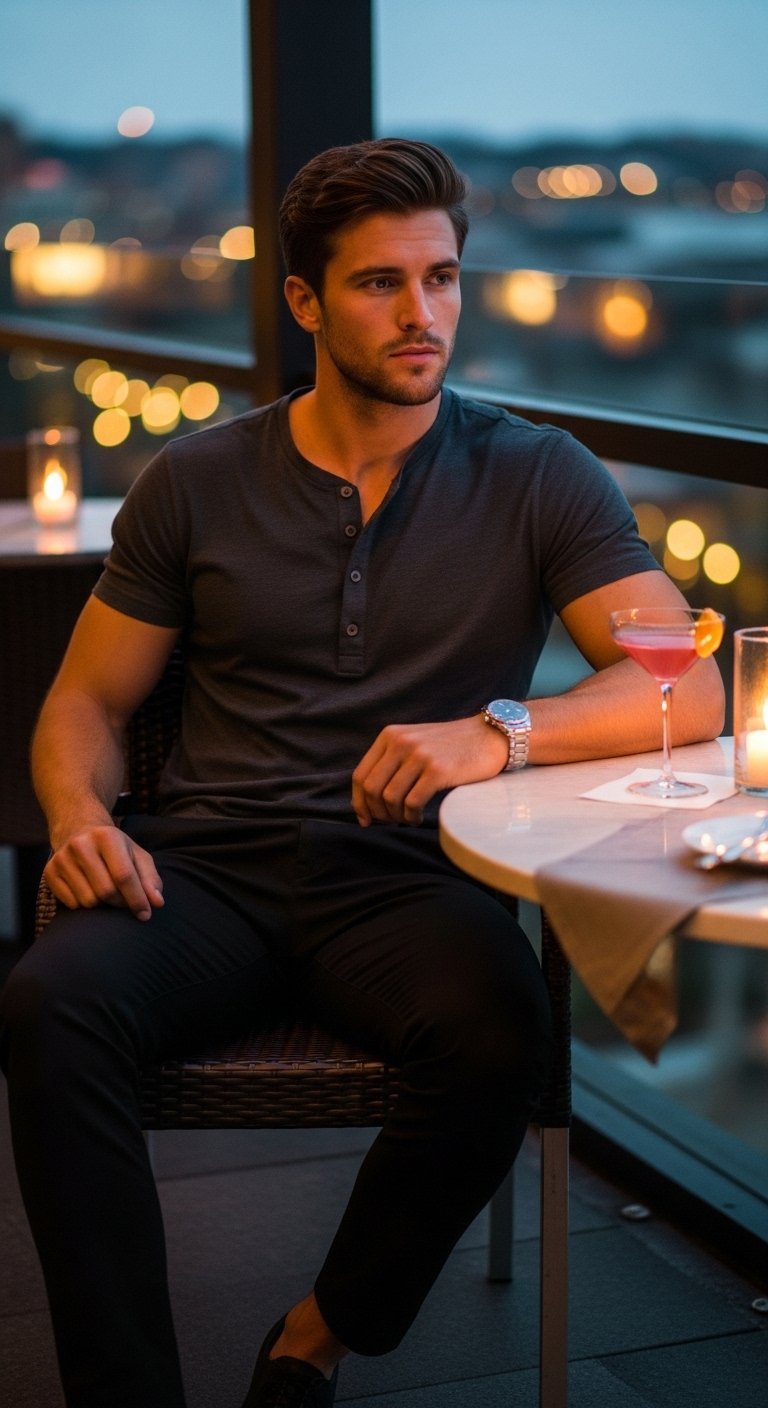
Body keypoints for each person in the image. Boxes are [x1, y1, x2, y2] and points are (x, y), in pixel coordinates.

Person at [0, 137, 724, 1408]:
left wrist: (497, 731)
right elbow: (88, 701)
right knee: (47, 1007)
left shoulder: (537, 473)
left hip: (409, 877)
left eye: (441, 279)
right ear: (305, 299)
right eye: (382, 283)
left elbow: (686, 686)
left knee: (501, 1031)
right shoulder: (196, 478)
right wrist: (75, 816)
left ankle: (314, 1338)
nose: (421, 313)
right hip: (204, 871)